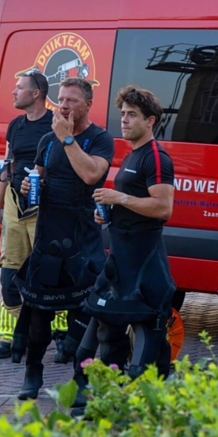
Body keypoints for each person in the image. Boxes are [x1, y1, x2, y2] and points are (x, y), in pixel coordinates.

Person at [13, 77, 114, 401]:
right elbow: (38, 176)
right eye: (61, 99)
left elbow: (90, 175)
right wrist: (29, 187)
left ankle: (82, 380)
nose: (64, 106)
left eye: (71, 100)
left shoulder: (100, 139)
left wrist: (68, 139)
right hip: (49, 233)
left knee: (84, 314)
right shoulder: (48, 140)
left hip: (82, 236)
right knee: (38, 312)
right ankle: (33, 371)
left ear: (87, 105)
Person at [86, 86, 177, 381]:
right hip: (123, 258)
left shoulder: (156, 158)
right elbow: (135, 204)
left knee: (148, 342)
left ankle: (147, 402)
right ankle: (109, 396)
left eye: (132, 115)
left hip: (144, 261)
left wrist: (119, 199)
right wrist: (109, 213)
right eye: (122, 114)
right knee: (108, 331)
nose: (123, 120)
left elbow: (163, 208)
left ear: (150, 121)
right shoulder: (132, 156)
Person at [0, 68, 53, 360]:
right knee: (10, 270)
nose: (14, 92)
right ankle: (10, 337)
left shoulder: (55, 124)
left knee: (45, 272)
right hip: (15, 202)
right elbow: (8, 166)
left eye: (19, 87)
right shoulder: (15, 125)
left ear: (35, 93)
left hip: (44, 205)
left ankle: (57, 336)